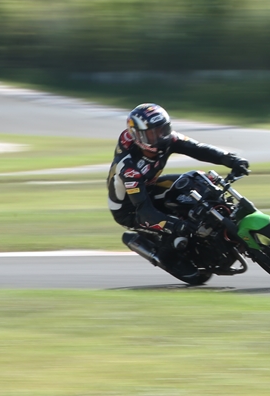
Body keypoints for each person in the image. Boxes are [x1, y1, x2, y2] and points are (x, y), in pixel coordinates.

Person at [107, 103, 250, 279]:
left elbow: (198, 148)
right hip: (130, 207)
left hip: (150, 187)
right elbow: (145, 211)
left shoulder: (168, 140)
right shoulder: (129, 167)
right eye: (153, 133)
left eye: (163, 129)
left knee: (197, 180)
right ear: (138, 136)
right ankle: (166, 257)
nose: (161, 136)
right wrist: (175, 225)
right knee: (178, 228)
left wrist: (231, 159)